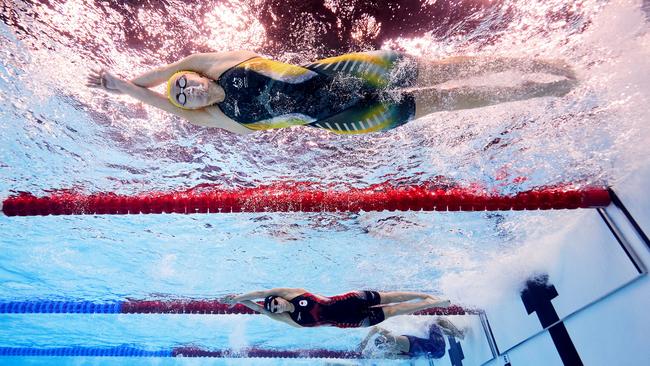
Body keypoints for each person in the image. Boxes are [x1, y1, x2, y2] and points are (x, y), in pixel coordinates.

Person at [87, 50, 576, 135]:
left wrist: (122, 81)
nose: (190, 91)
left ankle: (539, 64)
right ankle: (541, 90)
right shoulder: (221, 117)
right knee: (446, 100)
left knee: (444, 69)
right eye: (184, 98)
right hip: (349, 119)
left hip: (347, 73)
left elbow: (168, 75)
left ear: (198, 75)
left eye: (188, 85)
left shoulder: (216, 64)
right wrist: (131, 94)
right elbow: (159, 101)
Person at [222, 288, 450, 328]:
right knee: (395, 310)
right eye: (273, 309)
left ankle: (424, 296)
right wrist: (241, 303)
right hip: (349, 322)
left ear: (278, 297)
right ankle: (436, 303)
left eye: (275, 302)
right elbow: (259, 307)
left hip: (349, 301)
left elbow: (260, 295)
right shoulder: (286, 319)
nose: (277, 306)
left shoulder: (292, 292)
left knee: (393, 297)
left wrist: (238, 297)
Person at [358, 317, 465, 359]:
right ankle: (460, 334)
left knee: (428, 329)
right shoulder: (394, 339)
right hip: (437, 346)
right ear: (385, 340)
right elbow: (376, 328)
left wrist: (371, 354)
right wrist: (365, 341)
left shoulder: (393, 354)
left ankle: (450, 333)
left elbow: (411, 357)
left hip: (436, 355)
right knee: (437, 320)